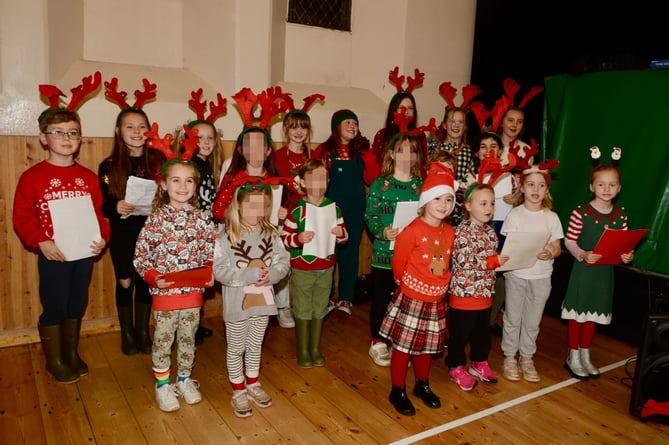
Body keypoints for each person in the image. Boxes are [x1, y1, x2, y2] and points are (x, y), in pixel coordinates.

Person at [13, 95, 110, 384]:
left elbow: (99, 214)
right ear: (44, 138)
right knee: (55, 305)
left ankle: (70, 353)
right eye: (58, 133)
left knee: (77, 302)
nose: (66, 138)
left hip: (83, 254)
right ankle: (54, 360)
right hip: (54, 254)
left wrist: (102, 238)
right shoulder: (32, 177)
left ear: (80, 139)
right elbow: (22, 218)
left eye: (73, 133)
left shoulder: (88, 178)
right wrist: (41, 241)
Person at [133, 151, 217, 412]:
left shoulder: (203, 219)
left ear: (196, 185)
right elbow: (140, 256)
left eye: (189, 181)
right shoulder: (155, 220)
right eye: (176, 181)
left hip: (192, 294)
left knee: (188, 339)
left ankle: (183, 379)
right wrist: (152, 277)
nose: (183, 187)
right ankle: (163, 385)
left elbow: (211, 252)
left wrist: (212, 271)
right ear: (164, 185)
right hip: (165, 294)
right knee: (162, 340)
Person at [379, 163, 456, 416]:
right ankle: (397, 389)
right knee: (404, 347)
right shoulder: (411, 231)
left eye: (448, 199)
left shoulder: (450, 231)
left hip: (436, 299)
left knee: (427, 346)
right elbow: (398, 265)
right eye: (437, 199)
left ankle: (422, 385)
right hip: (412, 297)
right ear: (425, 200)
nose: (443, 205)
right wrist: (408, 287)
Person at [213, 177, 291, 418]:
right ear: (238, 205)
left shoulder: (271, 233)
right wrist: (250, 274)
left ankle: (253, 383)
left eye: (262, 206)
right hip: (237, 306)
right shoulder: (226, 236)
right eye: (250, 206)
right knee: (236, 348)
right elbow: (219, 270)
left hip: (264, 305)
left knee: (255, 345)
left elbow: (283, 262)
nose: (256, 212)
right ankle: (238, 389)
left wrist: (272, 275)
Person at [99, 78, 165, 355]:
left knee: (147, 281)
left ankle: (142, 332)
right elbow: (102, 205)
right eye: (130, 127)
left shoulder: (159, 160)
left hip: (152, 230)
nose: (137, 132)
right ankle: (126, 333)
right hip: (123, 233)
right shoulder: (109, 165)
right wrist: (116, 208)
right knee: (125, 281)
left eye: (142, 127)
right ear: (118, 131)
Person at [562, 161, 633, 379]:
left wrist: (626, 255)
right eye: (601, 184)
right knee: (578, 314)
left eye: (612, 184)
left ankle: (585, 354)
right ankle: (572, 355)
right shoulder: (580, 212)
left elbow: (623, 246)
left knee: (594, 313)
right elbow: (569, 241)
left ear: (619, 188)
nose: (606, 189)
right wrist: (582, 253)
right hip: (584, 272)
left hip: (604, 275)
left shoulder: (620, 216)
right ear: (592, 187)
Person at [281, 159, 348, 368]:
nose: (318, 182)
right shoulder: (297, 210)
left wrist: (341, 234)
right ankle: (302, 349)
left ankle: (315, 348)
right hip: (302, 267)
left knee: (320, 307)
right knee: (302, 307)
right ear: (303, 182)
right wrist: (298, 239)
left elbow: (344, 237)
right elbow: (285, 237)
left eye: (323, 177)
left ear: (328, 181)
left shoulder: (334, 209)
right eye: (313, 178)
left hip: (326, 266)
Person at [500, 163, 563, 382]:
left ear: (547, 190)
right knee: (513, 318)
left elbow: (557, 247)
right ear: (522, 187)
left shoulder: (552, 218)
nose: (536, 189)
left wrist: (550, 252)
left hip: (541, 277)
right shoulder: (515, 215)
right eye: (531, 184)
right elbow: (510, 246)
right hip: (517, 275)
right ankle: (509, 357)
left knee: (532, 321)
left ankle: (526, 357)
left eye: (541, 185)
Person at [365, 129, 423, 367]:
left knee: (405, 302)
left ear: (417, 156)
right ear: (391, 155)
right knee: (381, 299)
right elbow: (370, 215)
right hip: (383, 255)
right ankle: (377, 341)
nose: (406, 156)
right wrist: (381, 231)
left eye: (411, 151)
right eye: (401, 151)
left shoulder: (421, 186)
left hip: (412, 258)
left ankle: (400, 343)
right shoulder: (381, 184)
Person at [314, 109, 379, 315]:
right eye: (347, 122)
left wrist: (367, 152)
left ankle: (345, 299)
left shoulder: (361, 151)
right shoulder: (323, 150)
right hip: (328, 209)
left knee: (350, 254)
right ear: (337, 127)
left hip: (355, 210)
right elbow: (314, 178)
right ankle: (325, 297)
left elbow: (371, 178)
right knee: (327, 251)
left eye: (355, 123)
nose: (352, 126)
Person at [446, 183, 509, 391]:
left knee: (482, 334)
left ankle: (479, 361)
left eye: (491, 203)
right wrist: (494, 262)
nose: (488, 208)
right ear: (468, 206)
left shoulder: (491, 233)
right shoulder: (461, 232)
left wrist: (499, 262)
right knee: (460, 335)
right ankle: (455, 365)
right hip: (463, 296)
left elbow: (491, 262)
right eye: (483, 203)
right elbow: (465, 261)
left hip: (484, 295)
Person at [179, 89, 227, 344]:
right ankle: (187, 329)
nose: (206, 142)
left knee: (200, 278)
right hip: (192, 230)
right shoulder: (190, 165)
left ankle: (194, 326)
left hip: (208, 227)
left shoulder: (209, 165)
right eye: (199, 138)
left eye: (210, 138)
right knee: (191, 279)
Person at [273, 94, 324, 329]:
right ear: (285, 129)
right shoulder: (276, 157)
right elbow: (272, 187)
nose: (298, 132)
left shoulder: (314, 157)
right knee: (284, 264)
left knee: (306, 263)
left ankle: (303, 305)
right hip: (286, 218)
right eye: (293, 127)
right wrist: (277, 211)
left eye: (303, 127)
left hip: (310, 217)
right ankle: (282, 307)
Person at [372, 67, 427, 166]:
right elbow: (377, 165)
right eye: (401, 107)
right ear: (393, 110)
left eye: (410, 108)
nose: (405, 112)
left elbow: (422, 164)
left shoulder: (420, 135)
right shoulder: (382, 135)